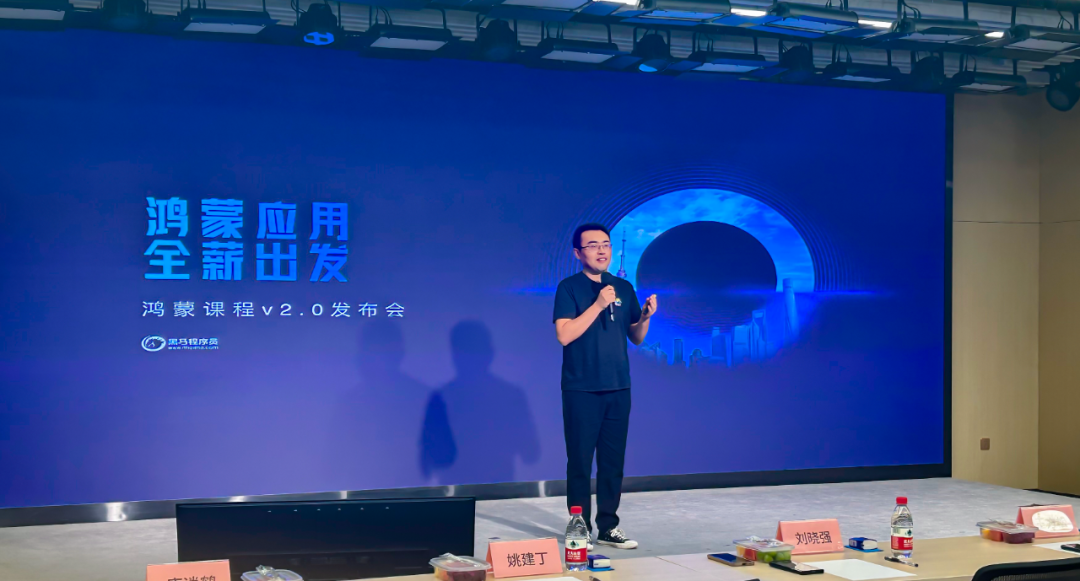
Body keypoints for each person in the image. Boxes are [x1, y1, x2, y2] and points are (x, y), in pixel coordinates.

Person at [553, 223, 658, 550]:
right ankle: (579, 527)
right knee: (580, 462)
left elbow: (636, 337)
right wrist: (598, 304)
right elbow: (564, 335)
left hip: (618, 387)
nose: (602, 250)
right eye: (593, 245)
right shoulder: (569, 288)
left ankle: (608, 526)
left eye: (606, 244)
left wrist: (645, 317)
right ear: (578, 253)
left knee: (613, 463)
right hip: (581, 388)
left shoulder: (623, 286)